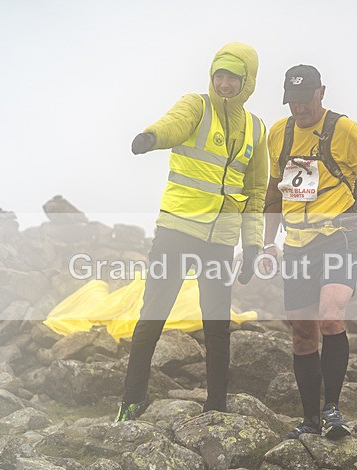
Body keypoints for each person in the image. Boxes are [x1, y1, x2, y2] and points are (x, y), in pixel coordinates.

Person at [115, 42, 268, 421]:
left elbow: (255, 192)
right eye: (219, 75)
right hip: (177, 230)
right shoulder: (196, 106)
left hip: (220, 240)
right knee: (153, 315)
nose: (225, 83)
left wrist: (253, 246)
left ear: (247, 81)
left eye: (233, 77)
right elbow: (174, 124)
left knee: (217, 325)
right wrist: (151, 137)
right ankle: (131, 402)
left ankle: (215, 406)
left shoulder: (256, 128)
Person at [262, 65, 357, 439]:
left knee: (331, 316)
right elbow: (274, 192)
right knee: (302, 333)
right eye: (292, 102)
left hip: (340, 236)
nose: (299, 109)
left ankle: (333, 410)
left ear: (321, 92)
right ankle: (309, 421)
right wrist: (269, 243)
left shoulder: (344, 130)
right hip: (298, 243)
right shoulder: (279, 133)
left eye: (304, 100)